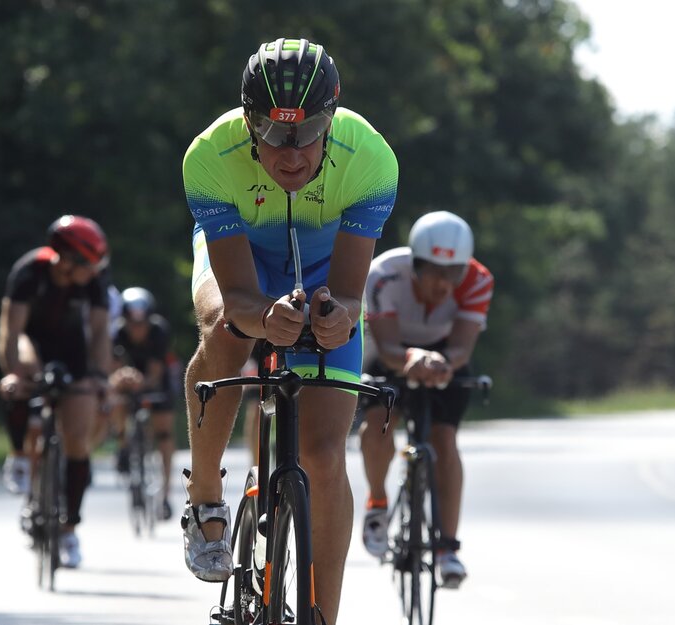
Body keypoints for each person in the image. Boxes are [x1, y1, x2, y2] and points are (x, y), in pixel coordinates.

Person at [180, 37, 397, 625]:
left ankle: (322, 616)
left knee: (324, 457)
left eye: (308, 132)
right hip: (243, 261)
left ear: (332, 117)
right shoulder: (209, 156)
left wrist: (338, 317)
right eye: (274, 135)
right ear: (249, 122)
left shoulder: (370, 157)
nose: (292, 152)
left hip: (327, 270)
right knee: (223, 327)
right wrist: (259, 318)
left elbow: (351, 294)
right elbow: (240, 299)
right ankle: (205, 499)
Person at [357, 211, 494, 589]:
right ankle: (377, 502)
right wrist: (409, 360)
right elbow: (385, 348)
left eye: (454, 274)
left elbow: (462, 348)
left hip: (444, 351)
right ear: (416, 264)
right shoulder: (383, 273)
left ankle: (448, 548)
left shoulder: (478, 280)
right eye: (435, 272)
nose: (445, 284)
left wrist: (443, 363)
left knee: (445, 440)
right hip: (393, 347)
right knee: (380, 421)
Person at [0, 215, 112, 569]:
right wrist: (13, 374)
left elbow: (101, 333)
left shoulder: (93, 282)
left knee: (77, 443)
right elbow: (10, 332)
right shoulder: (28, 272)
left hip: (74, 354)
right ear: (67, 259)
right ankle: (18, 455)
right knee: (23, 374)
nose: (95, 271)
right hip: (34, 348)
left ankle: (70, 529)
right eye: (89, 265)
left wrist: (100, 378)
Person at [108, 287, 176, 519]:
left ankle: (165, 495)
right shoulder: (117, 333)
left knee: (164, 433)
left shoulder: (159, 331)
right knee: (116, 398)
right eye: (131, 324)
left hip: (155, 381)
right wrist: (121, 379)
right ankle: (122, 443)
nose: (137, 330)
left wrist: (140, 382)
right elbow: (113, 372)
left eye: (141, 324)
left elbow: (156, 374)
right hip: (128, 379)